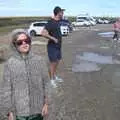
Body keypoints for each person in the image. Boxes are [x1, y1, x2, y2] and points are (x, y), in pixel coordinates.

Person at [0, 29, 49, 120]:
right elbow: (6, 89)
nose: (24, 43)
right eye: (20, 42)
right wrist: (8, 111)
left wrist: (46, 104)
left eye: (27, 41)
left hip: (37, 111)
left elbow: (46, 83)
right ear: (14, 45)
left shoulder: (39, 60)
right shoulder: (10, 64)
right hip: (19, 113)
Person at [41, 6, 65, 87]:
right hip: (52, 47)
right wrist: (53, 38)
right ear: (58, 13)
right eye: (62, 12)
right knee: (52, 64)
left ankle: (54, 76)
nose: (63, 13)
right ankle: (51, 80)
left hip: (58, 47)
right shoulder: (51, 22)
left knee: (57, 62)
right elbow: (43, 33)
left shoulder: (58, 21)